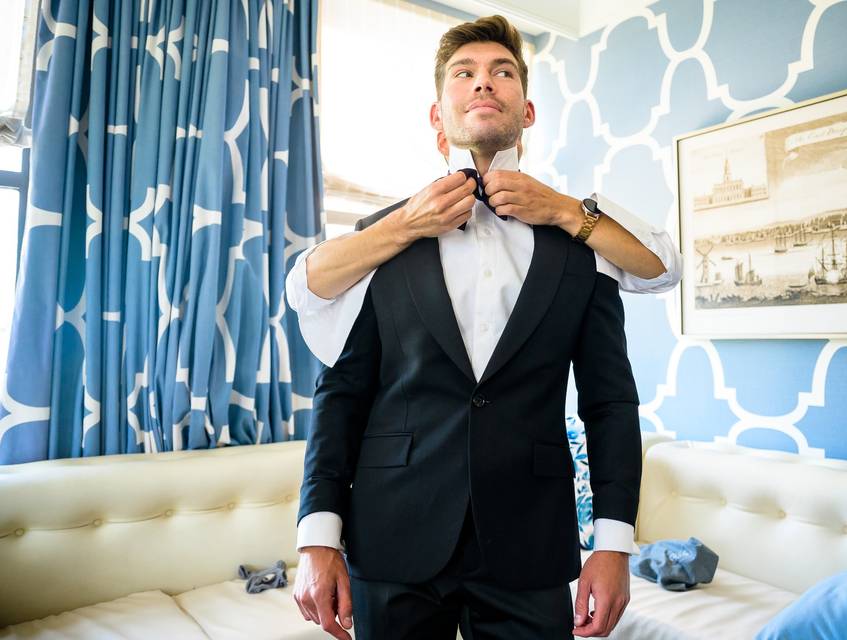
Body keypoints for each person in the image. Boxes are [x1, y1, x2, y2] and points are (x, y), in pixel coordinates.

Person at [286, 15, 679, 640]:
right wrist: (317, 537)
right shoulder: (386, 238)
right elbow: (342, 393)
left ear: (527, 111)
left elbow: (610, 402)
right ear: (438, 118)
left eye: (503, 72)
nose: (484, 84)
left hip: (530, 546)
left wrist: (614, 544)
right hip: (391, 540)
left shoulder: (582, 238)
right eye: (463, 74)